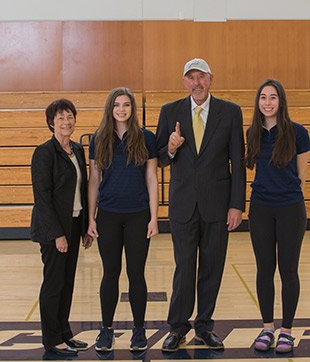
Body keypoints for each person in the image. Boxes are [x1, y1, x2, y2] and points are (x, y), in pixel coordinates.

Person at [156, 58, 246, 351]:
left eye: (202, 77)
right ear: (184, 82)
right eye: (191, 77)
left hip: (218, 206)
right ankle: (177, 327)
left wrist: (236, 205)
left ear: (211, 79)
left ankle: (204, 327)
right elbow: (159, 157)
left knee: (212, 268)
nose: (196, 82)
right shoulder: (170, 112)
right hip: (183, 205)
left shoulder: (230, 112)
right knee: (184, 268)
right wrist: (170, 148)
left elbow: (239, 162)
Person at [87, 87, 159, 352]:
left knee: (136, 273)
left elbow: (152, 179)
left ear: (133, 109)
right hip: (108, 215)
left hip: (138, 215)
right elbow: (94, 180)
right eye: (116, 104)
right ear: (110, 108)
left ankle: (139, 330)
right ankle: (106, 330)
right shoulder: (99, 138)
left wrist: (154, 218)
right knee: (111, 273)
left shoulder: (146, 138)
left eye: (126, 105)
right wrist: (91, 219)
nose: (121, 109)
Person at [246, 79, 310, 353]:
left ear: (281, 101)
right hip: (260, 208)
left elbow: (301, 176)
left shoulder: (298, 132)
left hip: (290, 209)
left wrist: (288, 196)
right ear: (258, 102)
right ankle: (267, 328)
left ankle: (286, 330)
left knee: (288, 270)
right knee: (264, 269)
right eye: (263, 97)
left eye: (273, 97)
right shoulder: (251, 133)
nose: (268, 102)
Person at [30, 99, 92, 356]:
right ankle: (51, 339)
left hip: (75, 224)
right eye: (61, 118)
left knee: (67, 283)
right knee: (53, 284)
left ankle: (65, 333)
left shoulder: (77, 149)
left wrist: (87, 226)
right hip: (53, 230)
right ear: (51, 123)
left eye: (70, 117)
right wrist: (58, 234)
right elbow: (42, 198)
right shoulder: (44, 152)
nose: (67, 122)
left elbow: (83, 190)